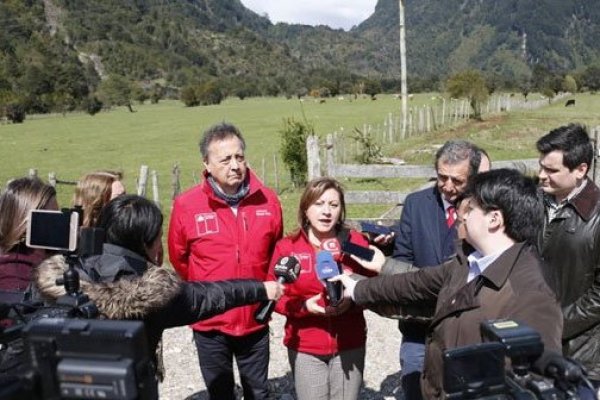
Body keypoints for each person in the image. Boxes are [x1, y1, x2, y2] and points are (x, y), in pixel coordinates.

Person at [333, 169, 563, 399]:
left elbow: (534, 386)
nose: (462, 215)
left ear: (494, 219)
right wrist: (357, 288)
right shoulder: (469, 261)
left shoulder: (532, 295)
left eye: (471, 209)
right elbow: (413, 283)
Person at [34, 194, 284, 391]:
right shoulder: (149, 295)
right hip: (129, 388)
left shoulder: (62, 275)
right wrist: (261, 288)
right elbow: (210, 296)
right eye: (158, 237)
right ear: (146, 243)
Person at [168, 122, 283, 400]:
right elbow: (179, 258)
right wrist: (203, 295)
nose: (235, 165)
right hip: (210, 322)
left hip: (254, 318)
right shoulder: (187, 205)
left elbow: (276, 253)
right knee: (220, 393)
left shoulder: (267, 200)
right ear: (206, 164)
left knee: (258, 391)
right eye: (225, 159)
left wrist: (266, 298)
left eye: (239, 157)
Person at [389, 139, 489, 399]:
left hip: (466, 329)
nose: (447, 186)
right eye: (441, 177)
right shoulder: (415, 204)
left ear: (474, 177)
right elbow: (401, 259)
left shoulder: (486, 210)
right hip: (419, 328)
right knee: (415, 388)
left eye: (457, 180)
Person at [269, 177, 376, 400]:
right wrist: (303, 306)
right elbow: (275, 297)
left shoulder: (355, 242)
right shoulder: (287, 248)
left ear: (341, 210)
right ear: (305, 209)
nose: (326, 211)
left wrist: (353, 300)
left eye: (333, 205)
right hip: (306, 347)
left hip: (350, 343)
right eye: (318, 204)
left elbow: (376, 285)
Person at [536, 124, 600, 388]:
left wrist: (556, 323)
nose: (541, 175)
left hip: (579, 354)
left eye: (551, 170)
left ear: (580, 170)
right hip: (531, 343)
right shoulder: (532, 201)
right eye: (541, 166)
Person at [0, 177, 59, 302]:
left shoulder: (50, 256)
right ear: (26, 223)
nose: (60, 224)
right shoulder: (14, 278)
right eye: (53, 218)